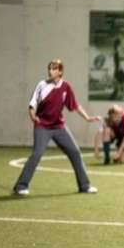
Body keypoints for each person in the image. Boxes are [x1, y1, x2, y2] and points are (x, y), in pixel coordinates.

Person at [13, 59, 101, 195]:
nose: (50, 71)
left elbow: (75, 105)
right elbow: (32, 105)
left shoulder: (66, 87)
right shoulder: (42, 85)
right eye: (49, 68)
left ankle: (85, 186)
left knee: (75, 152)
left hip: (59, 127)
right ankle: (20, 186)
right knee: (36, 155)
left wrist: (88, 117)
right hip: (42, 126)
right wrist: (33, 116)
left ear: (60, 71)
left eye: (54, 69)